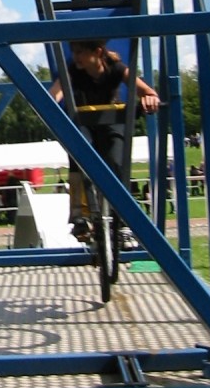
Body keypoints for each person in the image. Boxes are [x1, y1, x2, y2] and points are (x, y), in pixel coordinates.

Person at [51, 39, 160, 249]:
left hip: (110, 122)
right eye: (74, 52)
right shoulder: (73, 71)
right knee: (78, 151)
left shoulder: (116, 69)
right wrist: (51, 105)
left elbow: (147, 91)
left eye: (81, 52)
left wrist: (150, 98)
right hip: (84, 123)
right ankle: (79, 215)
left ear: (98, 51)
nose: (76, 57)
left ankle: (123, 219)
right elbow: (55, 94)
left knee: (116, 162)